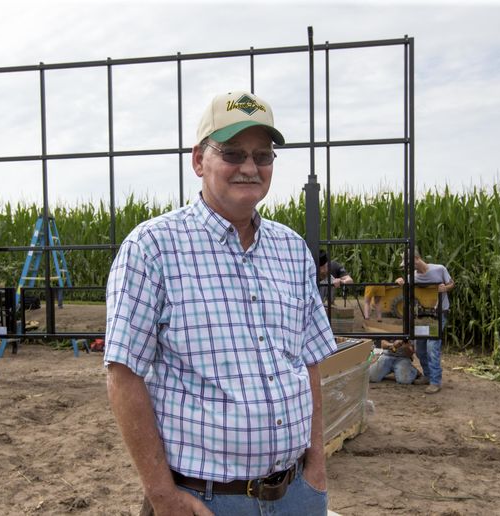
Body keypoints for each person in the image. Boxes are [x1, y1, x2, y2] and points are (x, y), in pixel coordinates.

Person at [105, 90, 336, 516]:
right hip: (204, 502)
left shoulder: (291, 249)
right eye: (232, 153)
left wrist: (316, 467)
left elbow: (310, 361)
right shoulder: (153, 248)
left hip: (295, 494)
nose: (250, 167)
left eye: (262, 156)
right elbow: (123, 376)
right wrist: (163, 497)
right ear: (198, 160)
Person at [395, 246, 454, 394]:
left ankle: (435, 381)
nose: (408, 268)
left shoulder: (439, 269)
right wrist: (401, 281)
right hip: (422, 316)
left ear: (416, 259)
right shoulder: (412, 277)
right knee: (420, 349)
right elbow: (406, 286)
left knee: (432, 347)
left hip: (439, 313)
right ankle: (427, 375)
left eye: (409, 264)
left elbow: (452, 283)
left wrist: (445, 288)